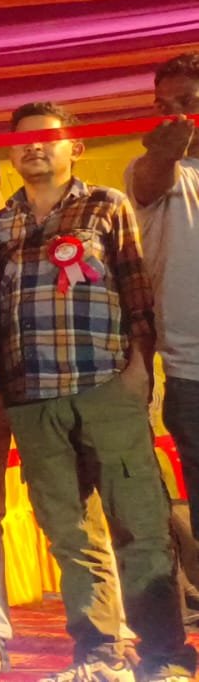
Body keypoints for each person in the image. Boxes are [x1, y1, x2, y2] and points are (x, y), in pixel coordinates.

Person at [0, 101, 193, 682]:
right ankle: (99, 655)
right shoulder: (0, 223)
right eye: (23, 139)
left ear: (73, 148)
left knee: (140, 526)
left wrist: (138, 370)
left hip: (107, 385)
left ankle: (164, 656)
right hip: (32, 396)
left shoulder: (107, 204)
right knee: (69, 533)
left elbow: (137, 290)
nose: (34, 147)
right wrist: (6, 388)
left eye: (47, 137)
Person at [126, 54, 199, 514]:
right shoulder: (151, 168)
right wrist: (164, 151)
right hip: (192, 373)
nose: (173, 113)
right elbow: (152, 181)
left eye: (187, 101)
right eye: (162, 104)